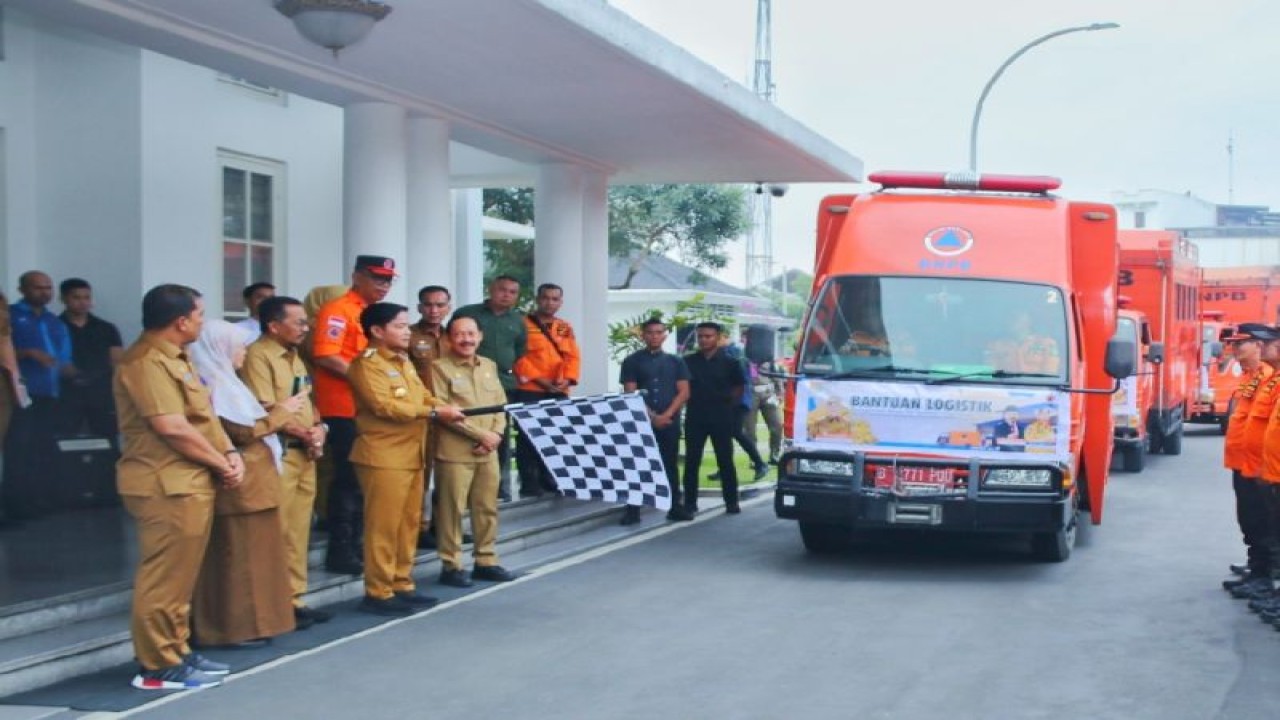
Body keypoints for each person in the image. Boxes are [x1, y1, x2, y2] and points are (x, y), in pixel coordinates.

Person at [115, 284, 242, 690]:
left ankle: (176, 648)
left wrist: (228, 452)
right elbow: (171, 426)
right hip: (163, 482)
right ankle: (157, 662)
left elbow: (202, 416)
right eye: (200, 314)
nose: (202, 322)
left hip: (188, 481)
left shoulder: (178, 357)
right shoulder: (146, 362)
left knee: (181, 576)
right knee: (163, 577)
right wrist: (221, 461)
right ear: (181, 321)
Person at [347, 302, 465, 616]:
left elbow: (422, 396)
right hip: (383, 454)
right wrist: (435, 412)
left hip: (412, 452)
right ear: (376, 331)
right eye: (399, 326)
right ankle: (378, 590)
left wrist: (441, 406)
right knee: (383, 526)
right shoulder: (366, 364)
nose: (406, 332)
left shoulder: (403, 361)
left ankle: (401, 582)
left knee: (409, 522)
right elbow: (385, 406)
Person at [188, 320, 300, 647]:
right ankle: (230, 628)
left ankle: (253, 625)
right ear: (220, 348)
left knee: (256, 558)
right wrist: (281, 413)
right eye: (238, 346)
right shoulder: (214, 382)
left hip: (256, 483)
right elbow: (241, 432)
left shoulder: (229, 380)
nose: (243, 353)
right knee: (236, 560)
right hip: (241, 485)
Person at [240, 295, 332, 628]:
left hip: (304, 451)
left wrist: (318, 429)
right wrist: (303, 432)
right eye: (299, 322)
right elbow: (264, 406)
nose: (305, 328)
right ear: (274, 325)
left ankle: (294, 598)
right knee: (275, 531)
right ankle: (272, 603)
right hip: (277, 451)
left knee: (297, 532)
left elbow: (307, 399)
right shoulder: (258, 356)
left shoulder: (294, 357)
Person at [312, 256, 396, 575]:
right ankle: (341, 550)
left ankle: (360, 545)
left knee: (364, 479)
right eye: (377, 278)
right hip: (343, 407)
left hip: (369, 409)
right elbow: (326, 354)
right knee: (348, 479)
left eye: (388, 280)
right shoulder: (338, 310)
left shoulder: (374, 314)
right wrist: (365, 380)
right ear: (356, 276)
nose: (383, 285)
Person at [430, 316, 518, 587]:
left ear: (480, 336)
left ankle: (486, 560)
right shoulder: (438, 368)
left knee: (486, 507)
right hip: (455, 451)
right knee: (451, 510)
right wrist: (483, 435)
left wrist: (497, 435)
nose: (466, 339)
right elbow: (444, 410)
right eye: (459, 334)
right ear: (448, 338)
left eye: (471, 333)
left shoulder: (488, 366)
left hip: (487, 451)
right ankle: (451, 564)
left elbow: (501, 406)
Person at [4, 270, 74, 518]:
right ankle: (15, 506)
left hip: (49, 393)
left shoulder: (55, 322)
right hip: (19, 394)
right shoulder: (11, 316)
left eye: (48, 288)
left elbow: (63, 359)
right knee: (18, 450)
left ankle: (41, 502)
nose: (44, 292)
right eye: (38, 287)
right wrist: (29, 354)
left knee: (42, 450)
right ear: (22, 289)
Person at [453, 275, 527, 502]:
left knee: (500, 435)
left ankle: (497, 486)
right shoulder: (468, 314)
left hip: (503, 384)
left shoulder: (517, 320)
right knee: (468, 431)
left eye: (513, 292)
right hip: (467, 383)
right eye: (502, 290)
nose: (507, 295)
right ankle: (465, 488)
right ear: (491, 289)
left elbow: (519, 350)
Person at [619, 318, 692, 524]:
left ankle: (674, 506)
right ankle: (633, 510)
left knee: (669, 464)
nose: (654, 336)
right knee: (637, 464)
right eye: (650, 332)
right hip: (641, 420)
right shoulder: (632, 361)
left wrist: (667, 415)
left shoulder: (675, 361)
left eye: (659, 332)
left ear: (665, 335)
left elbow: (684, 391)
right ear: (643, 335)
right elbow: (630, 393)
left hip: (669, 420)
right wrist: (652, 416)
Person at [1226, 325, 1280, 602]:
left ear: (1258, 345)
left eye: (1240, 344)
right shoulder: (1255, 377)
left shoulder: (1270, 377)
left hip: (1263, 469)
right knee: (1251, 521)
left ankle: (1265, 576)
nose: (1235, 350)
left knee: (1266, 525)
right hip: (1246, 464)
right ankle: (1258, 570)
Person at [512, 283, 581, 497]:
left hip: (558, 390)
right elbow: (517, 357)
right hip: (530, 389)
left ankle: (549, 478)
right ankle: (529, 482)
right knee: (527, 436)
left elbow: (572, 356)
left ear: (560, 302)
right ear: (537, 299)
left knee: (554, 436)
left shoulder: (563, 327)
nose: (549, 303)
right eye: (545, 298)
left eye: (554, 299)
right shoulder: (522, 324)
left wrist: (568, 379)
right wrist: (539, 380)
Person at [683, 322, 745, 515]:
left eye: (708, 336)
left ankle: (731, 502)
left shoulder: (731, 362)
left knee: (725, 460)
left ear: (718, 338)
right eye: (700, 336)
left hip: (721, 417)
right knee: (692, 461)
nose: (703, 340)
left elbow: (739, 387)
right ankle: (690, 503)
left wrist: (728, 405)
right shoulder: (688, 362)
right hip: (695, 416)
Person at [409, 285, 452, 549]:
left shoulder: (454, 336)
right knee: (422, 474)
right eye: (428, 305)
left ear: (448, 306)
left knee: (450, 472)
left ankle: (444, 525)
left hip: (453, 414)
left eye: (439, 305)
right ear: (419, 308)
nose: (434, 310)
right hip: (423, 415)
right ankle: (419, 528)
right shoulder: (409, 336)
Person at [58, 278, 124, 441]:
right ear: (64, 299)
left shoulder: (106, 328)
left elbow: (117, 360)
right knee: (65, 440)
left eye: (86, 297)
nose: (83, 302)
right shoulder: (55, 326)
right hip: (67, 393)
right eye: (77, 298)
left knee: (107, 441)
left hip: (101, 392)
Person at [712, 332, 769, 481]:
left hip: (738, 400)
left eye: (716, 338)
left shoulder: (735, 352)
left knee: (736, 432)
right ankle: (725, 467)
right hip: (727, 401)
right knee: (726, 435)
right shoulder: (724, 353)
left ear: (724, 337)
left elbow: (741, 378)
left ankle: (760, 464)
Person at [986, 310, 1060, 374]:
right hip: (1005, 387)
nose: (1012, 319)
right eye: (1010, 316)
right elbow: (991, 374)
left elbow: (1050, 374)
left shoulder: (1047, 343)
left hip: (1037, 388)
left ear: (1029, 319)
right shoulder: (995, 345)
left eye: (1017, 315)